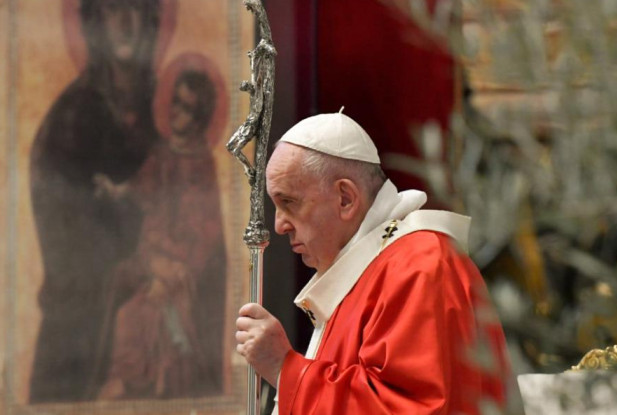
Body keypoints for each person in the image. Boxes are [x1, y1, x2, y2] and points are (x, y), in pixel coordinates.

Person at [235, 111, 513, 414]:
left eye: (289, 202)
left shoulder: (420, 265)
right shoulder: (369, 268)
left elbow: (409, 408)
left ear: (345, 199)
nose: (279, 226)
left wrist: (284, 368)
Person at [29, 0, 161, 402]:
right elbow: (67, 230)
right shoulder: (73, 117)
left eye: (135, 8)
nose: (124, 21)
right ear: (93, 23)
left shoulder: (165, 107)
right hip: (81, 323)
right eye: (111, 9)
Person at [94, 69, 226, 399]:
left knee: (138, 315)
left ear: (199, 118)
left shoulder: (201, 164)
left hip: (181, 264)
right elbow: (141, 186)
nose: (175, 111)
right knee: (115, 287)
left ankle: (136, 381)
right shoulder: (163, 152)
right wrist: (115, 190)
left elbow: (205, 230)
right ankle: (116, 377)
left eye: (185, 106)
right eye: (174, 101)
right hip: (151, 253)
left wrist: (172, 272)